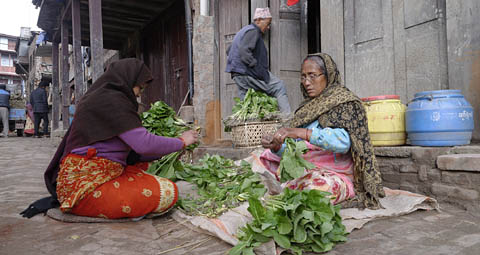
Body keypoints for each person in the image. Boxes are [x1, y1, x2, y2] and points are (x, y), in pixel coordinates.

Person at [20, 58, 199, 219]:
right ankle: (83, 203)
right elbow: (144, 144)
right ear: (128, 80)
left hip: (96, 174)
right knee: (167, 192)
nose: (139, 94)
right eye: (139, 88)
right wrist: (181, 141)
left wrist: (168, 149)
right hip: (85, 186)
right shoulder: (111, 101)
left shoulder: (104, 97)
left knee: (144, 168)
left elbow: (136, 152)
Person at [260, 53, 385, 209]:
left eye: (313, 76)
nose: (306, 82)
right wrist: (277, 146)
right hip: (307, 168)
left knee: (316, 191)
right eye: (303, 77)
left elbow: (344, 143)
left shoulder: (345, 102)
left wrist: (302, 133)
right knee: (258, 159)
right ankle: (288, 188)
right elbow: (296, 150)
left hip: (336, 174)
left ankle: (287, 190)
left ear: (328, 76)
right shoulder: (307, 108)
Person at [225, 7, 291, 114]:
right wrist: (254, 64)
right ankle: (287, 120)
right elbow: (243, 51)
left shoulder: (243, 31)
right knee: (278, 86)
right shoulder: (253, 31)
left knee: (246, 103)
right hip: (247, 73)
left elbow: (229, 50)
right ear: (258, 20)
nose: (268, 27)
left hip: (238, 75)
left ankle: (248, 128)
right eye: (268, 23)